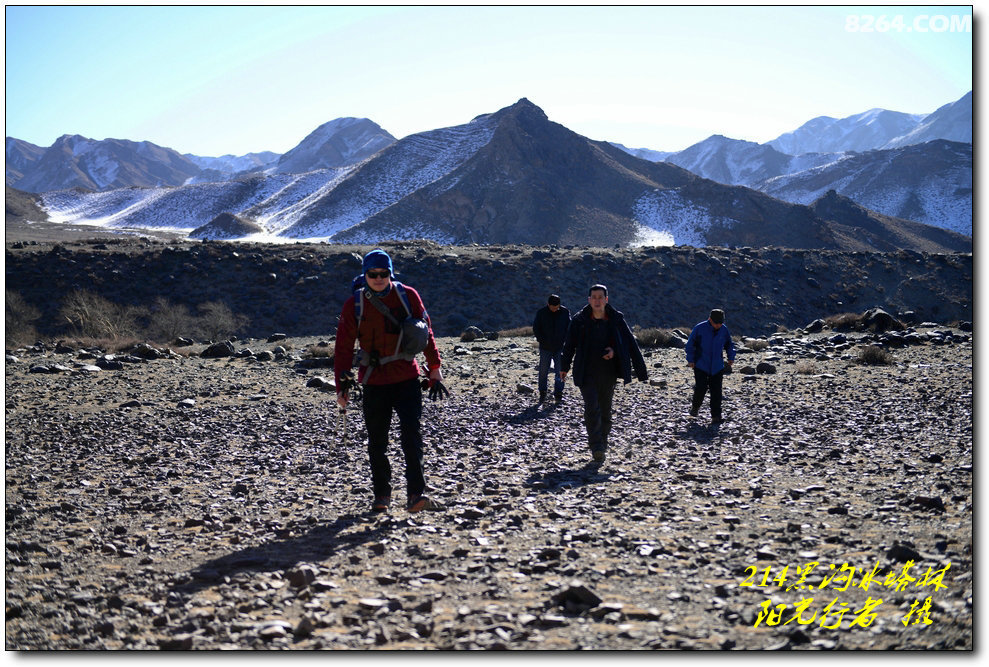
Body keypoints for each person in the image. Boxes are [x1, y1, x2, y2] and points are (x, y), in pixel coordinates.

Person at [334, 249, 447, 513]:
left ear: (390, 273)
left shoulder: (408, 295)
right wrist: (342, 386)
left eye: (383, 274)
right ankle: (381, 496)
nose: (378, 278)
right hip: (373, 382)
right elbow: (343, 348)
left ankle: (416, 495)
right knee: (377, 443)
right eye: (373, 274)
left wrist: (435, 367)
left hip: (407, 377)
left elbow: (426, 332)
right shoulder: (354, 305)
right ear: (365, 275)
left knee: (412, 438)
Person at [560, 284, 648, 463]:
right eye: (594, 297)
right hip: (586, 371)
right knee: (592, 407)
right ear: (589, 300)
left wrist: (620, 355)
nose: (597, 300)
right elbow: (569, 345)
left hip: (608, 372)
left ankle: (603, 442)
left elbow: (629, 343)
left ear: (606, 300)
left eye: (601, 297)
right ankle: (596, 446)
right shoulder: (579, 320)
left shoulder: (615, 319)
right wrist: (564, 367)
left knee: (606, 410)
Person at [685, 308, 736, 424]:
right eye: (716, 323)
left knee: (716, 391)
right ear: (710, 319)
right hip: (700, 364)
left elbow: (729, 344)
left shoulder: (724, 330)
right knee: (701, 388)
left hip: (717, 366)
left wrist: (731, 356)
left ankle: (716, 416)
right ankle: (695, 408)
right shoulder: (699, 328)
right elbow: (690, 345)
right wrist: (690, 359)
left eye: (720, 323)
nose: (718, 325)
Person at [532, 294, 571, 404]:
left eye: (556, 307)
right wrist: (541, 340)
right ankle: (542, 391)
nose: (554, 309)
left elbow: (570, 327)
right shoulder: (541, 313)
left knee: (560, 370)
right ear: (548, 304)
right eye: (552, 307)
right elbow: (536, 328)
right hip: (545, 347)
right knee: (543, 370)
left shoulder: (565, 312)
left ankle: (558, 392)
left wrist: (566, 340)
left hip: (560, 347)